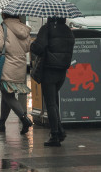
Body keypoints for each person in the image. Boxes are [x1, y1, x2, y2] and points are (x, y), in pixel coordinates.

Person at [30, 17, 75, 146]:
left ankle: (55, 134)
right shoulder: (67, 30)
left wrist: (32, 44)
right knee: (54, 101)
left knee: (50, 103)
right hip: (62, 71)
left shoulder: (47, 29)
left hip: (49, 70)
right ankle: (59, 131)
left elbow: (38, 48)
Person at [0, 11, 33, 135]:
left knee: (8, 95)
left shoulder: (2, 27)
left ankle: (24, 119)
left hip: (7, 65)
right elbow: (28, 47)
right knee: (6, 93)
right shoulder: (24, 28)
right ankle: (1, 123)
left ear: (4, 15)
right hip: (20, 66)